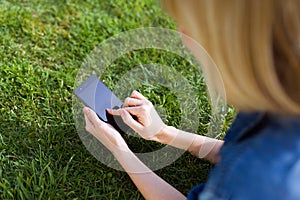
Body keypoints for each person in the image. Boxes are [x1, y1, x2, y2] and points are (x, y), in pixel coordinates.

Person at [83, 0, 300, 199]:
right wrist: (163, 132)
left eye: (195, 27)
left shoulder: (251, 182)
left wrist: (121, 151)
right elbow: (238, 151)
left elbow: (248, 169)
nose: (181, 34)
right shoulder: (282, 96)